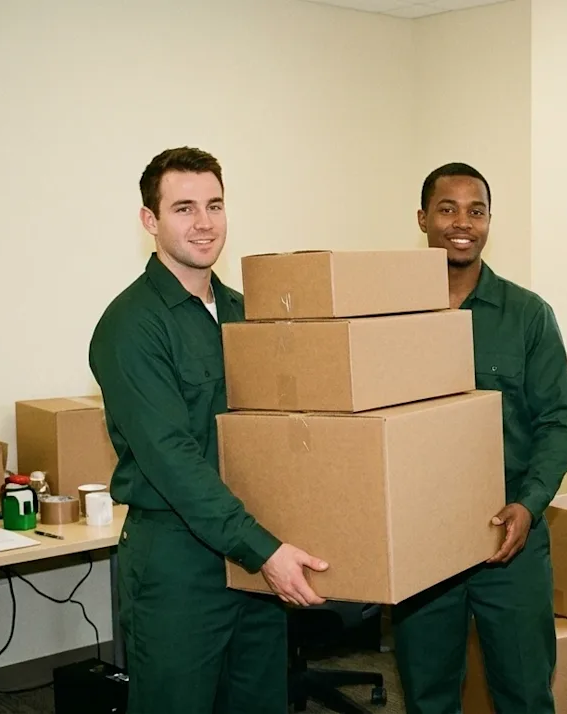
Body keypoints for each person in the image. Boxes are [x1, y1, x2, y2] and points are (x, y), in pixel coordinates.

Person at [89, 146, 329, 714]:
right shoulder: (130, 326)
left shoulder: (246, 313)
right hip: (179, 559)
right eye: (184, 208)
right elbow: (172, 459)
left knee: (259, 701)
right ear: (150, 220)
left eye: (214, 205)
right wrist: (263, 550)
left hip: (254, 546)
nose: (204, 223)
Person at [392, 162, 567, 714]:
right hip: (421, 540)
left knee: (524, 693)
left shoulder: (527, 315)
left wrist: (530, 503)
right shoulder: (389, 314)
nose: (462, 223)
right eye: (447, 209)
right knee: (427, 695)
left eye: (476, 211)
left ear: (490, 221)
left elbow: (558, 419)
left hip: (509, 536)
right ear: (422, 218)